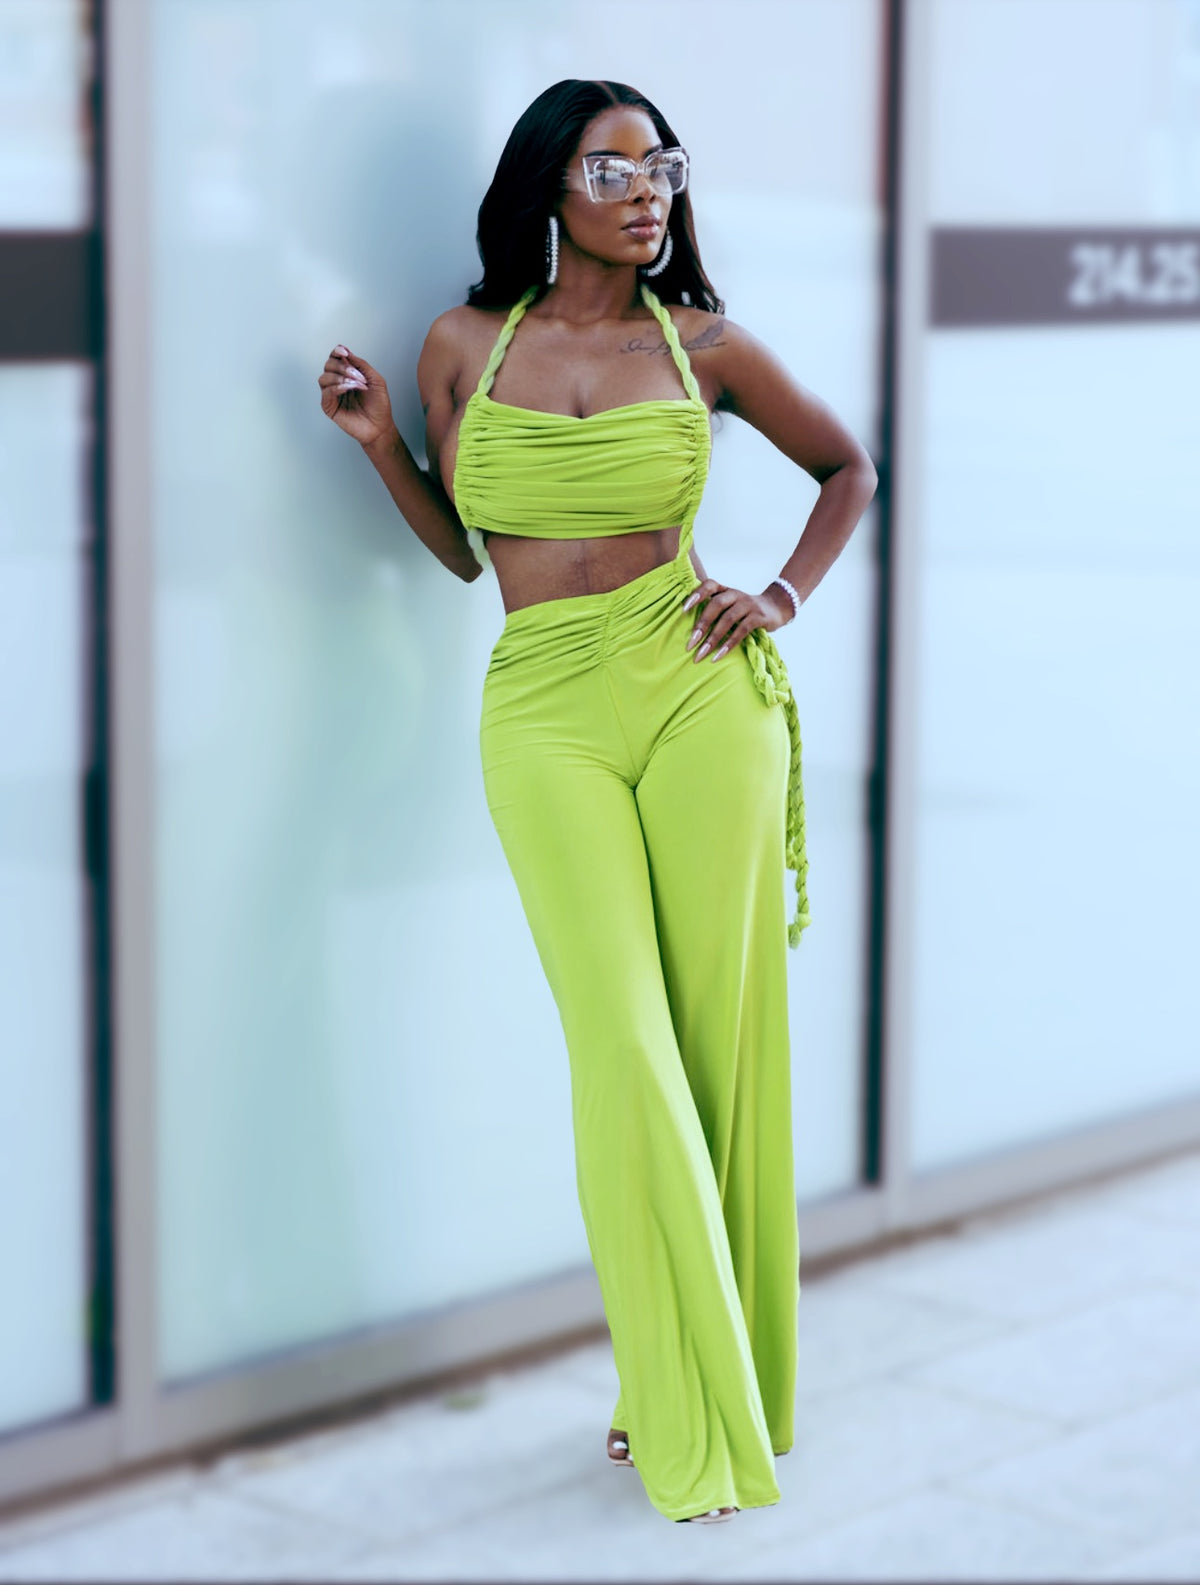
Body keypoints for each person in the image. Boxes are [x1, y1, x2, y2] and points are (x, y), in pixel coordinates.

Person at [318, 78, 877, 1526]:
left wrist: (780, 594)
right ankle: (689, 1387)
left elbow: (845, 467)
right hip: (545, 705)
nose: (648, 190)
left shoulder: (707, 346)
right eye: (614, 165)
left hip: (697, 687)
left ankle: (685, 1392)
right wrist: (385, 446)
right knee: (623, 1048)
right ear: (546, 187)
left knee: (711, 1048)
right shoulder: (460, 344)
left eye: (663, 166)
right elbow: (462, 556)